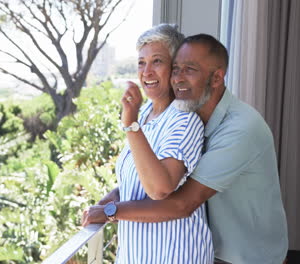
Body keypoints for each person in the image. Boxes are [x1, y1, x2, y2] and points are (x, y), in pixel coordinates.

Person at [82, 34, 288, 264]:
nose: (177, 78)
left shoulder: (240, 129)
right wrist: (106, 202)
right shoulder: (179, 115)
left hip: (248, 257)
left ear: (217, 77)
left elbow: (181, 202)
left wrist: (112, 211)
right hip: (215, 250)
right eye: (176, 68)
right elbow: (142, 177)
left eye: (189, 69)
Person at [82, 24, 214, 263]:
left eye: (157, 61)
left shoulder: (184, 121)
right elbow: (136, 180)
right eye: (141, 63)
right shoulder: (144, 114)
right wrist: (107, 201)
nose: (147, 72)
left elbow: (159, 188)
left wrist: (130, 125)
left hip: (175, 255)